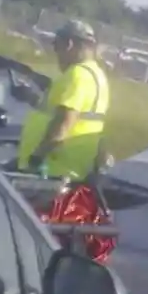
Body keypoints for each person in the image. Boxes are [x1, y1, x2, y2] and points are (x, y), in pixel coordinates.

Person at [17, 19, 111, 180]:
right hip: (74, 170)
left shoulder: (76, 75)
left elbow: (63, 123)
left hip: (51, 171)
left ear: (68, 44)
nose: (56, 54)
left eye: (56, 46)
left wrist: (36, 158)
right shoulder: (97, 75)